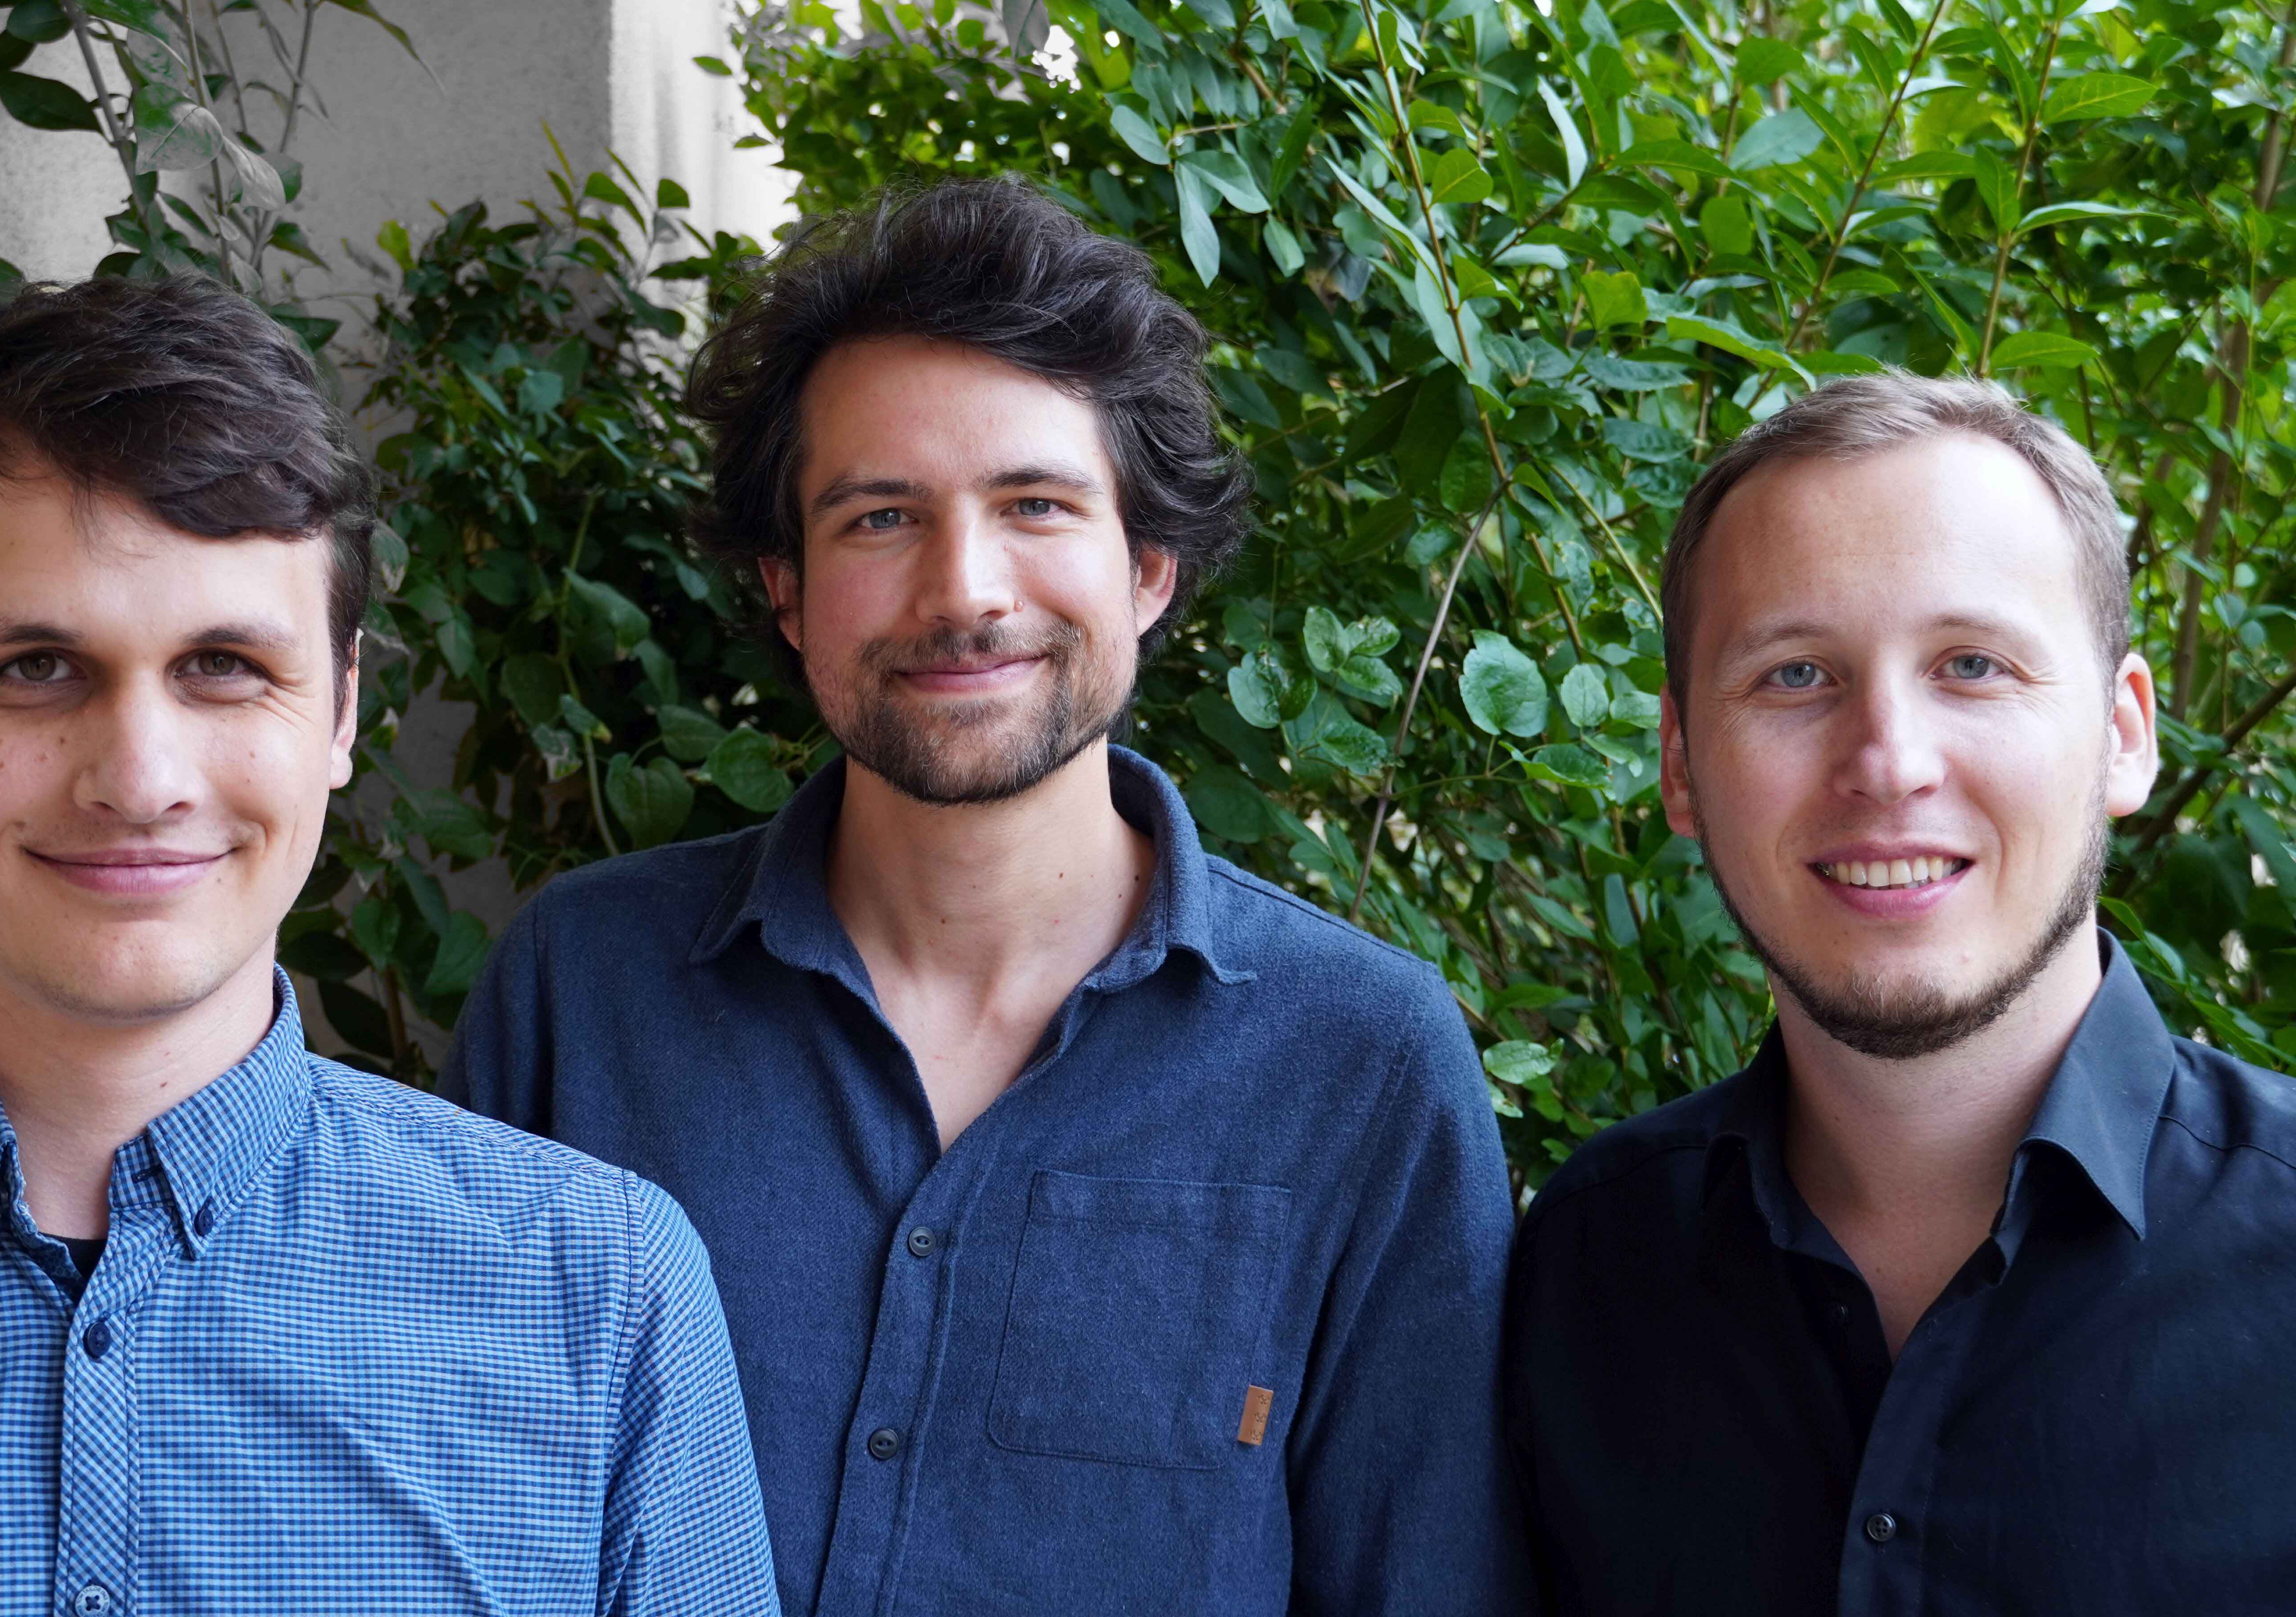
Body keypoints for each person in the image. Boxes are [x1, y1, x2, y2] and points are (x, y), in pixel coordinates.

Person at [443, 178, 1526, 1615]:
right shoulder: (584, 990)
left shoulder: (1365, 1066)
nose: (965, 591)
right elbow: (447, 1521)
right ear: (787, 587)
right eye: (882, 516)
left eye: (1036, 505)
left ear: (1147, 567)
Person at [0, 278, 778, 1615]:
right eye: (36, 667)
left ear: (341, 712)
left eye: (225, 664)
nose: (141, 777)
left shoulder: (600, 1297)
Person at [1505, 373, 2296, 1614]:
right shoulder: (1585, 1274)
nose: (1888, 762)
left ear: (2125, 737)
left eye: (1972, 665)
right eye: (1793, 678)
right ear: (1679, 765)